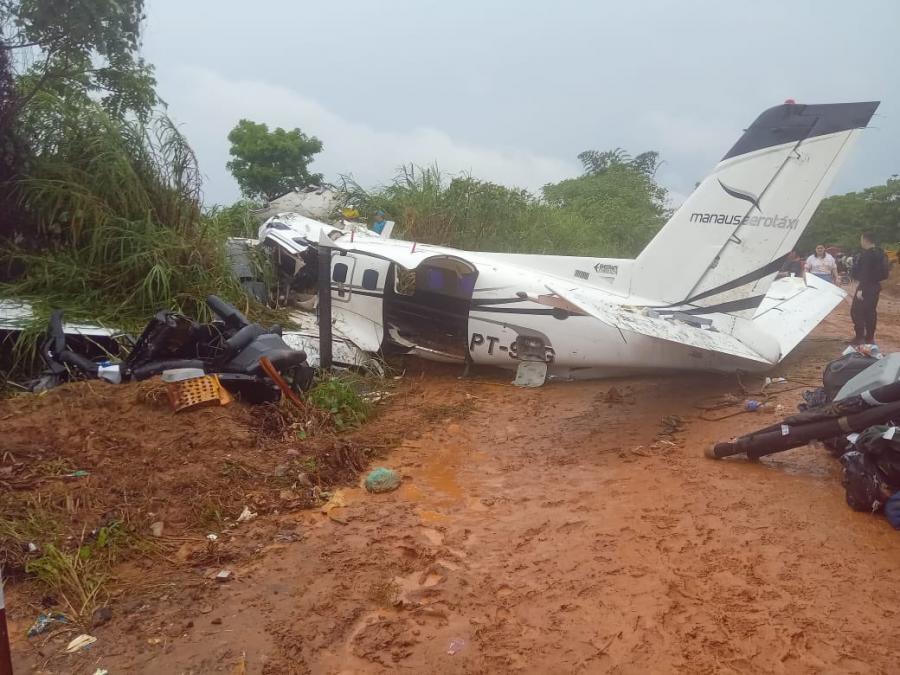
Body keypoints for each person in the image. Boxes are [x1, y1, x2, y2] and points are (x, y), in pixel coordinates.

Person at [849, 232, 885, 345]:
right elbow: (885, 273)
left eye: (861, 240)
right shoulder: (881, 253)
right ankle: (869, 337)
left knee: (856, 311)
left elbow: (865, 273)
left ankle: (860, 337)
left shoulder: (867, 254)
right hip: (876, 286)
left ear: (865, 240)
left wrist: (861, 289)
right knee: (871, 312)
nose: (861, 242)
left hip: (866, 287)